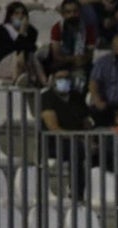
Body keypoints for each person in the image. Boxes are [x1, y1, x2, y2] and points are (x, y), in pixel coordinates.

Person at [39, 68, 93, 199]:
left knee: (100, 149)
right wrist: (79, 138)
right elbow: (54, 129)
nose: (64, 81)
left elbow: (86, 121)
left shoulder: (77, 97)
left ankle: (100, 191)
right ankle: (77, 193)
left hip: (78, 140)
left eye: (67, 78)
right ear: (53, 80)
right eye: (60, 78)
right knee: (77, 149)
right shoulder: (46, 98)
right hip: (53, 143)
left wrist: (90, 139)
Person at [0, 2, 46, 86]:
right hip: (5, 64)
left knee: (32, 56)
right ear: (10, 16)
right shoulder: (2, 30)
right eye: (17, 13)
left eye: (23, 14)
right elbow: (10, 49)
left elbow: (32, 49)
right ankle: (17, 81)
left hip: (25, 63)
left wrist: (24, 32)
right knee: (17, 54)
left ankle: (45, 82)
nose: (20, 16)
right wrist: (21, 33)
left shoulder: (31, 31)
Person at [47, 0, 97, 88]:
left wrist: (82, 59)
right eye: (68, 12)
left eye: (75, 11)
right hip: (62, 64)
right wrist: (73, 59)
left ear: (80, 12)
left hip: (81, 65)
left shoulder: (88, 28)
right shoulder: (57, 28)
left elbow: (90, 53)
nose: (72, 15)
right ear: (63, 14)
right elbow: (56, 55)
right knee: (61, 85)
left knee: (79, 84)